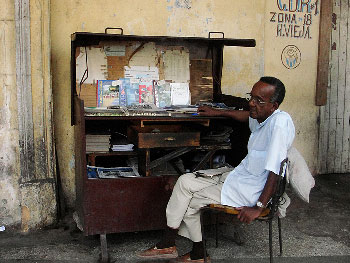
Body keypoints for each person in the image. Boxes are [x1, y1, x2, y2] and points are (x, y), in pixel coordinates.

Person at [137, 76, 295, 262]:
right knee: (185, 181)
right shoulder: (262, 116)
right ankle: (168, 243)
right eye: (250, 97)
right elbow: (245, 116)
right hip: (238, 176)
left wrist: (258, 207)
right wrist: (218, 112)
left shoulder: (279, 123)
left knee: (191, 201)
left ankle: (198, 254)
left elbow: (275, 171)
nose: (251, 103)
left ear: (274, 106)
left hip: (250, 190)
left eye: (258, 100)